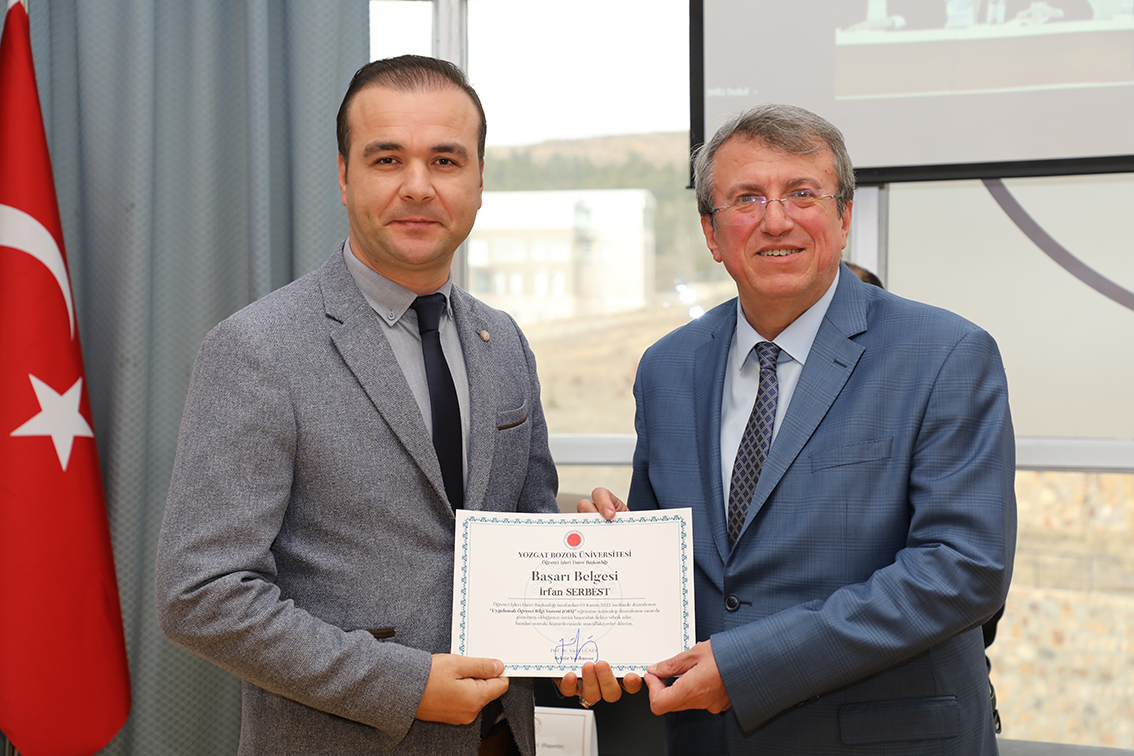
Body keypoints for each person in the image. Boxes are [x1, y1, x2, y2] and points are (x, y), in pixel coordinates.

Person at [155, 55, 623, 756]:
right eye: (386, 159)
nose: (417, 186)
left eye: (445, 159)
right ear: (343, 178)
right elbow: (203, 595)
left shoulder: (505, 343)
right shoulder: (257, 348)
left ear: (479, 181)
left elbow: (522, 536)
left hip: (503, 739)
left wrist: (586, 578)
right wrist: (402, 684)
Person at [585, 104, 1016, 754]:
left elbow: (963, 569)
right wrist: (610, 569)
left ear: (843, 219)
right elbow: (670, 575)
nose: (776, 219)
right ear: (711, 230)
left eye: (802, 194)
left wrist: (745, 665)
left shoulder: (945, 354)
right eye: (746, 198)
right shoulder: (666, 369)